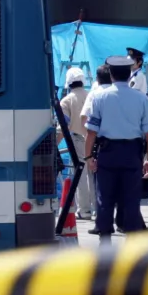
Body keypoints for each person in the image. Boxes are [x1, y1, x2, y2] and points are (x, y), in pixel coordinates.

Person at [84, 56, 148, 245]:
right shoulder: (141, 98)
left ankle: (105, 239)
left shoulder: (100, 97)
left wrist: (89, 156)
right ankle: (132, 239)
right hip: (132, 153)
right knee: (131, 197)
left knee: (104, 196)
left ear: (112, 75)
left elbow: (91, 132)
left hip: (107, 152)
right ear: (129, 74)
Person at [80, 65, 115, 235]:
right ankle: (122, 220)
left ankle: (102, 222)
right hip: (127, 145)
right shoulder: (123, 93)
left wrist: (88, 151)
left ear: (97, 78)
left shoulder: (95, 93)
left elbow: (85, 118)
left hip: (101, 144)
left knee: (100, 187)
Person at [59, 67, 93, 220]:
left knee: (80, 174)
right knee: (93, 175)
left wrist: (54, 144)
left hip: (77, 139)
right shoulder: (92, 96)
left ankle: (84, 210)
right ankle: (99, 208)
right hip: (94, 139)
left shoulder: (67, 100)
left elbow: (62, 126)